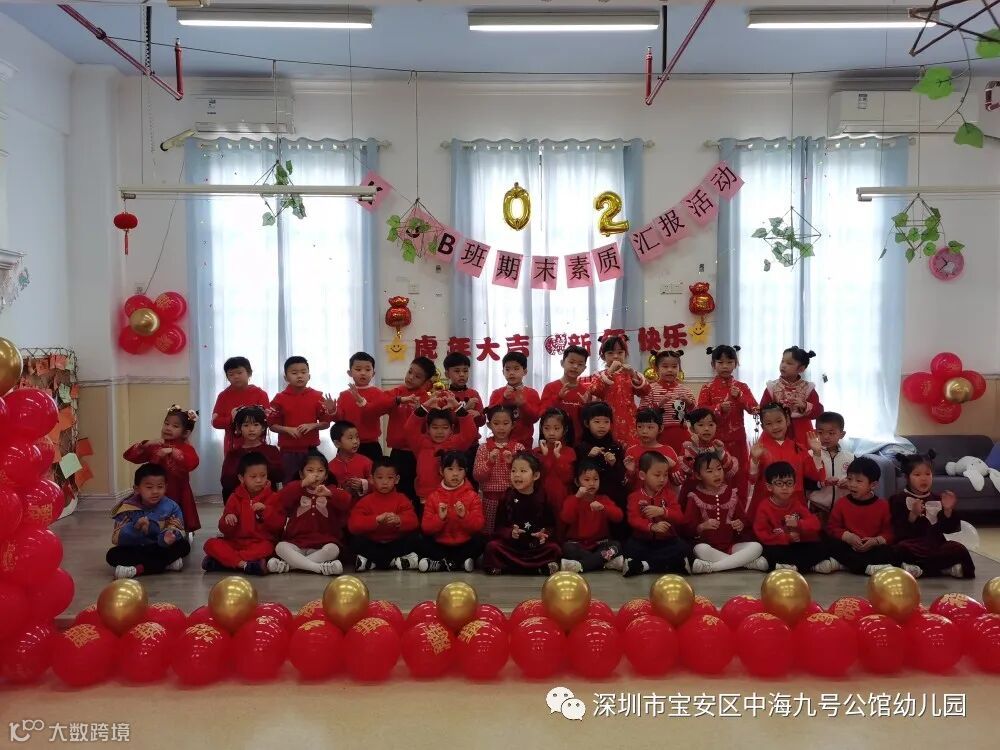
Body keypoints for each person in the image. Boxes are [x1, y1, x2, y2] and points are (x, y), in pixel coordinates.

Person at [889, 452, 975, 578]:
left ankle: (923, 570)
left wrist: (947, 510)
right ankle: (940, 569)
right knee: (898, 551)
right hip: (912, 545)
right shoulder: (898, 499)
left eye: (928, 474)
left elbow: (949, 529)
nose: (924, 478)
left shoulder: (938, 498)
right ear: (907, 477)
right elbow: (898, 531)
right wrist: (913, 515)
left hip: (935, 545)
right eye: (917, 475)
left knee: (959, 549)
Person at [270, 451, 351, 575]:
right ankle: (318, 568)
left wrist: (329, 493)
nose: (315, 475)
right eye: (310, 470)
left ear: (326, 475)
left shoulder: (331, 490)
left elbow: (346, 501)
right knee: (280, 547)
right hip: (297, 543)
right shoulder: (295, 488)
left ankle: (290, 566)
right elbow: (280, 498)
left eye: (320, 471)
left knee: (333, 549)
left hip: (323, 544)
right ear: (301, 474)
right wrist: (302, 484)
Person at [123, 405, 201, 534]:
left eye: (175, 426)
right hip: (156, 488)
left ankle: (176, 534)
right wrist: (146, 444)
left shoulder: (186, 448)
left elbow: (193, 463)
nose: (168, 428)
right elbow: (129, 456)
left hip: (178, 489)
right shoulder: (155, 445)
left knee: (177, 517)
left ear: (185, 433)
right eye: (166, 423)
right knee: (155, 515)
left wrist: (173, 451)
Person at [684, 452, 767, 574]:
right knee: (699, 549)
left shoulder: (731, 493)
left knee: (756, 547)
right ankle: (745, 564)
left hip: (731, 546)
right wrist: (702, 526)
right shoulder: (694, 496)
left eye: (719, 469)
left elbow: (743, 520)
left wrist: (740, 524)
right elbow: (688, 529)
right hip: (708, 547)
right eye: (709, 471)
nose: (717, 474)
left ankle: (712, 567)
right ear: (698, 475)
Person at [202, 452, 283, 576]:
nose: (259, 480)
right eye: (253, 476)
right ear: (241, 478)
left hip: (259, 543)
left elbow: (279, 525)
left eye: (263, 475)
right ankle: (244, 565)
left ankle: (223, 562)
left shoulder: (274, 497)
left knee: (269, 548)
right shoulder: (234, 498)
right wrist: (228, 519)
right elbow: (223, 528)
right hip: (235, 542)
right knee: (210, 544)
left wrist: (265, 511)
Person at [482, 452, 562, 575]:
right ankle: (536, 569)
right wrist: (511, 533)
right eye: (513, 471)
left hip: (535, 547)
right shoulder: (507, 496)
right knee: (492, 547)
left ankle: (511, 568)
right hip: (512, 547)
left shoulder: (543, 497)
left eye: (523, 471)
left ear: (535, 475)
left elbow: (551, 526)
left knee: (554, 549)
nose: (517, 475)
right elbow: (499, 528)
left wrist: (543, 535)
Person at [821, 456, 902, 576]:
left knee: (892, 551)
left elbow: (889, 533)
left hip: (872, 548)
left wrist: (875, 541)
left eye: (859, 481)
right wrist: (847, 536)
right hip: (849, 546)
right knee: (830, 544)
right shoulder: (842, 503)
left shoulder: (883, 506)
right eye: (849, 479)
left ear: (873, 485)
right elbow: (832, 528)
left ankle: (848, 564)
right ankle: (865, 567)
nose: (852, 484)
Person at [106, 464, 190, 579]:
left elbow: (177, 528)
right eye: (149, 487)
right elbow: (117, 539)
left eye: (160, 487)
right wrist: (135, 528)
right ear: (137, 489)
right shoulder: (127, 508)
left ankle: (137, 569)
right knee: (112, 555)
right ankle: (165, 564)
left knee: (184, 546)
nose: (155, 491)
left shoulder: (171, 506)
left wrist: (170, 536)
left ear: (166, 487)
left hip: (159, 547)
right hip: (136, 547)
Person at [748, 402, 824, 519]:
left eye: (779, 421)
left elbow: (816, 475)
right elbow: (752, 479)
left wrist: (817, 453)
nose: (775, 427)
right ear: (763, 427)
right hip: (767, 502)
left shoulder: (799, 448)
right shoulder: (759, 450)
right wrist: (754, 460)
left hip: (794, 502)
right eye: (769, 423)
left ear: (787, 420)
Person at [697, 345, 758, 488]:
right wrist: (718, 408)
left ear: (736, 364)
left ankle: (740, 503)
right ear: (713, 364)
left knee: (740, 475)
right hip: (714, 440)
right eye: (720, 362)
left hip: (738, 439)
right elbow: (700, 411)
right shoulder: (707, 388)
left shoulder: (742, 387)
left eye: (729, 362)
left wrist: (740, 396)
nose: (725, 366)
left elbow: (755, 409)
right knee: (716, 475)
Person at [622, 452, 692, 577]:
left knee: (683, 548)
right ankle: (671, 565)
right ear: (642, 475)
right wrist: (651, 527)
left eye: (665, 475)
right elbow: (633, 519)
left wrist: (662, 511)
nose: (662, 479)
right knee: (630, 548)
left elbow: (680, 518)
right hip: (642, 541)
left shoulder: (670, 495)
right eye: (657, 475)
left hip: (666, 541)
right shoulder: (634, 497)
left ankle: (644, 566)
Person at [752, 462, 830, 573]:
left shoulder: (796, 503)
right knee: (768, 552)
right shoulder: (764, 507)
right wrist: (787, 538)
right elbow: (763, 535)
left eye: (789, 483)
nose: (785, 487)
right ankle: (804, 566)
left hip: (795, 546)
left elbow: (815, 524)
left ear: (794, 486)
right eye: (779, 483)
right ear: (769, 487)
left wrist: (799, 524)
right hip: (777, 546)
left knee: (822, 546)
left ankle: (789, 566)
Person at [407, 395, 479, 513]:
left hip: (452, 496)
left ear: (452, 428)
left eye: (445, 427)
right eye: (435, 427)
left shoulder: (456, 444)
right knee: (427, 523)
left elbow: (470, 432)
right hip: (426, 496)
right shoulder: (420, 443)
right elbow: (409, 429)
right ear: (428, 428)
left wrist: (457, 407)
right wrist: (424, 407)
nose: (439, 432)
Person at [347, 459, 420, 571]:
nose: (385, 482)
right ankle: (394, 562)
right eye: (380, 478)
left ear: (397, 479)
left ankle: (373, 562)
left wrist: (399, 520)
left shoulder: (402, 499)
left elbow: (414, 521)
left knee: (416, 538)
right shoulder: (365, 501)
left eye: (390, 478)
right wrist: (375, 520)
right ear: (372, 479)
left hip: (396, 544)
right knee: (356, 541)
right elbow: (353, 525)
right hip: (373, 544)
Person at [419, 451, 485, 572]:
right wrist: (440, 518)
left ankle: (441, 564)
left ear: (465, 471)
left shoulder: (473, 496)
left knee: (480, 540)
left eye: (460, 469)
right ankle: (458, 563)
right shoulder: (433, 497)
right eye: (450, 469)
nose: (455, 474)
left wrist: (465, 516)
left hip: (464, 544)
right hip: (440, 545)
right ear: (441, 471)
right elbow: (426, 528)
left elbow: (478, 526)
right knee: (421, 540)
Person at [269, 356, 330, 483]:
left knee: (313, 482)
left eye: (303, 372)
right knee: (290, 483)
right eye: (294, 373)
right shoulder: (279, 398)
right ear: (286, 378)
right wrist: (287, 429)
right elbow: (272, 425)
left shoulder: (317, 396)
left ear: (309, 376)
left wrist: (313, 425)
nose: (300, 376)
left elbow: (326, 423)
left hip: (311, 450)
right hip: (288, 451)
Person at [323, 352, 393, 464]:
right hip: (346, 445)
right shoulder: (344, 395)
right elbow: (340, 420)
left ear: (373, 373)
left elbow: (379, 410)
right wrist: (333, 410)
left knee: (372, 473)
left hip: (370, 444)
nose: (363, 373)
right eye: (358, 369)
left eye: (368, 369)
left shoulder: (377, 393)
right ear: (350, 373)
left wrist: (362, 402)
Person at [558, 460, 625, 573]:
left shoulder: (603, 499)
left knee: (616, 546)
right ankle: (605, 562)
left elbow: (619, 517)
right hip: (578, 544)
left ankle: (581, 566)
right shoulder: (572, 500)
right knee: (568, 548)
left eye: (595, 479)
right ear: (577, 482)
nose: (592, 483)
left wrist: (603, 508)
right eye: (587, 479)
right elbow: (566, 518)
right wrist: (577, 497)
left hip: (600, 543)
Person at [385, 356, 436, 503]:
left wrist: (420, 412)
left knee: (415, 491)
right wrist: (398, 400)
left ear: (426, 383)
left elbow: (429, 428)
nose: (411, 377)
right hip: (397, 452)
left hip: (417, 453)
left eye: (418, 376)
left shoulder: (427, 400)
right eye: (410, 372)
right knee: (396, 490)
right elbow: (380, 403)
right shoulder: (397, 392)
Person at [587, 334, 649, 447]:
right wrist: (610, 371)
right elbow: (594, 390)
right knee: (610, 449)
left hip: (630, 419)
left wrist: (633, 374)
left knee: (631, 448)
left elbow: (645, 391)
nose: (615, 356)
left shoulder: (630, 374)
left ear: (625, 354)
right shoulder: (599, 375)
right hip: (607, 420)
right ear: (603, 356)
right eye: (610, 353)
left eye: (620, 352)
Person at [473, 404, 525, 534]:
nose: (501, 427)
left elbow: (525, 478)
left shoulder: (519, 448)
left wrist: (511, 464)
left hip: (513, 498)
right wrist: (490, 462)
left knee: (511, 529)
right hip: (489, 499)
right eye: (496, 423)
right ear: (489, 425)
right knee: (489, 530)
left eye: (505, 423)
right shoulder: (483, 448)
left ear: (513, 425)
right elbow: (477, 476)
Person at [672, 408, 739, 506]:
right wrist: (694, 448)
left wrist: (720, 453)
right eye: (701, 425)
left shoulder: (717, 445)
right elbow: (682, 475)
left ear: (716, 427)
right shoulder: (688, 446)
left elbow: (729, 471)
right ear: (692, 429)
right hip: (693, 493)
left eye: (711, 425)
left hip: (715, 491)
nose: (707, 428)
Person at [760, 347, 824, 449]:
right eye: (782, 361)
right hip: (777, 429)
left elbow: (819, 412)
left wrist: (804, 405)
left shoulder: (808, 388)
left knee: (802, 456)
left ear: (801, 369)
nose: (783, 365)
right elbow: (763, 409)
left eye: (789, 363)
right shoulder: (772, 387)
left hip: (802, 431)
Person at [220, 406, 281, 501]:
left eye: (256, 425)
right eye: (246, 425)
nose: (251, 429)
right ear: (239, 428)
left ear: (263, 427)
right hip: (241, 501)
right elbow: (226, 482)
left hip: (267, 501)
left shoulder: (271, 450)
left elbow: (279, 476)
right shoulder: (233, 454)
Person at [640, 349, 695, 454]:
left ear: (679, 368)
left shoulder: (685, 390)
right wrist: (659, 404)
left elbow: (695, 414)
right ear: (656, 368)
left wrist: (688, 402)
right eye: (665, 367)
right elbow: (643, 413)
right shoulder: (650, 389)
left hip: (682, 435)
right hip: (658, 436)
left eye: (674, 366)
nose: (670, 370)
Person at [211, 356, 270, 454]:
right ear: (227, 377)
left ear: (249, 373)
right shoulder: (223, 396)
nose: (236, 377)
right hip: (233, 448)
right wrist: (231, 418)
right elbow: (215, 422)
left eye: (239, 373)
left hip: (257, 445)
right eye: (231, 374)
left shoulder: (260, 394)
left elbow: (267, 420)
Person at [577, 401, 628, 512]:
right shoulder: (581, 447)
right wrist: (588, 456)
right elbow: (576, 474)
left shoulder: (616, 446)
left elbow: (622, 477)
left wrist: (614, 464)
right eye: (597, 421)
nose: (602, 425)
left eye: (606, 421)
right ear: (587, 423)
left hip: (613, 497)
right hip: (589, 496)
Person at [533, 407, 576, 537]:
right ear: (541, 429)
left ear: (565, 429)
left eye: (556, 428)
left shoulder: (569, 451)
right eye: (547, 428)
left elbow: (568, 477)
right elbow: (536, 476)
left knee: (560, 526)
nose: (551, 433)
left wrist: (557, 456)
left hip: (561, 497)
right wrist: (545, 455)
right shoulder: (536, 451)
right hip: (540, 497)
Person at [488, 351, 541, 448]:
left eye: (516, 369)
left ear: (525, 371)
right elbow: (490, 416)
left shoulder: (532, 393)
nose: (511, 373)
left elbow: (535, 419)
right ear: (503, 372)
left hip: (524, 444)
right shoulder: (497, 393)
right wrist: (504, 399)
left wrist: (523, 405)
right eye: (507, 369)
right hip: (499, 444)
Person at [807, 411, 853, 519]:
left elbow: (857, 479)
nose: (826, 437)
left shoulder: (850, 457)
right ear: (815, 432)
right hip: (817, 507)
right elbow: (806, 482)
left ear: (842, 434)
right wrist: (823, 483)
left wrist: (849, 482)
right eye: (820, 432)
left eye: (831, 433)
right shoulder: (810, 454)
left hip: (842, 508)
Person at [540, 345, 591, 439]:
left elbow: (588, 420)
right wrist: (558, 397)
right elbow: (542, 414)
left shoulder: (585, 391)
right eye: (571, 362)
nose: (575, 366)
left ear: (584, 368)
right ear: (562, 363)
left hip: (578, 441)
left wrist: (586, 406)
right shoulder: (550, 387)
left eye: (580, 364)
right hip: (553, 439)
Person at [623, 407, 678, 492]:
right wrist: (630, 472)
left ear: (660, 428)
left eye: (650, 427)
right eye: (640, 426)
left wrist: (673, 466)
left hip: (664, 498)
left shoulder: (669, 451)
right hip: (638, 498)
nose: (644, 431)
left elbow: (677, 482)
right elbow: (626, 486)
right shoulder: (631, 451)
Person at [328, 421, 374, 500]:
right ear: (337, 443)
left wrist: (363, 484)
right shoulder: (330, 466)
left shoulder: (366, 462)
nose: (355, 441)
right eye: (350, 438)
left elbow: (376, 481)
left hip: (363, 505)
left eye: (357, 437)